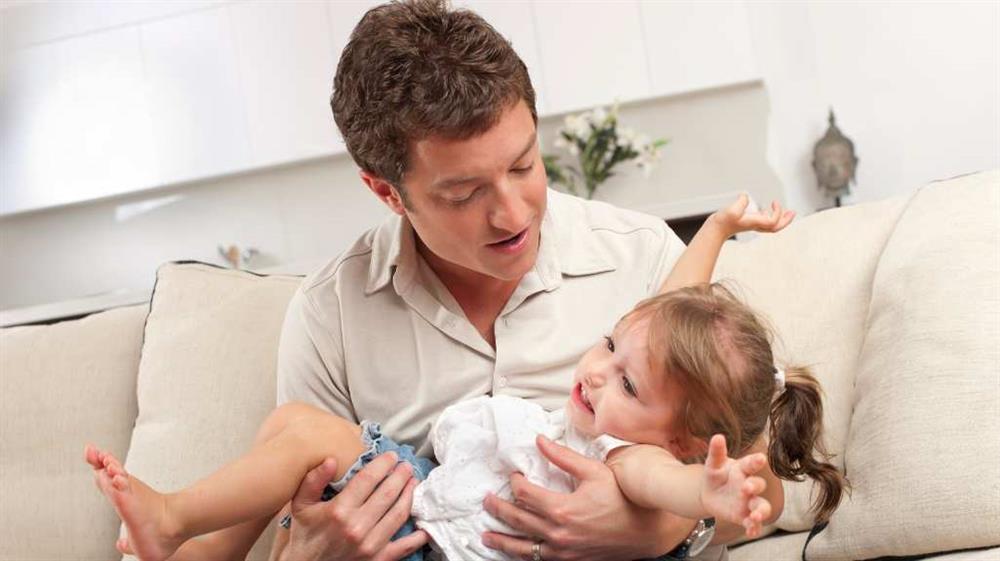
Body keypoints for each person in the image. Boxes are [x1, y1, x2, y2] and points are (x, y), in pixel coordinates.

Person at [267, 1, 795, 559]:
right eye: (465, 194)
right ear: (387, 192)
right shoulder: (332, 315)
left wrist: (658, 529)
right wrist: (303, 552)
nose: (514, 214)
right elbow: (292, 518)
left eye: (523, 165)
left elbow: (767, 490)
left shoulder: (643, 256)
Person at [85, 195, 847, 561]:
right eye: (609, 345)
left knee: (305, 433)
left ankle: (179, 519)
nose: (597, 371)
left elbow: (677, 485)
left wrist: (697, 503)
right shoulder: (332, 306)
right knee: (291, 425)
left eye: (628, 385)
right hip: (419, 509)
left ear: (681, 436)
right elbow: (668, 307)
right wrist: (711, 231)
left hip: (448, 546)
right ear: (388, 188)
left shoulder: (635, 458)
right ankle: (183, 535)